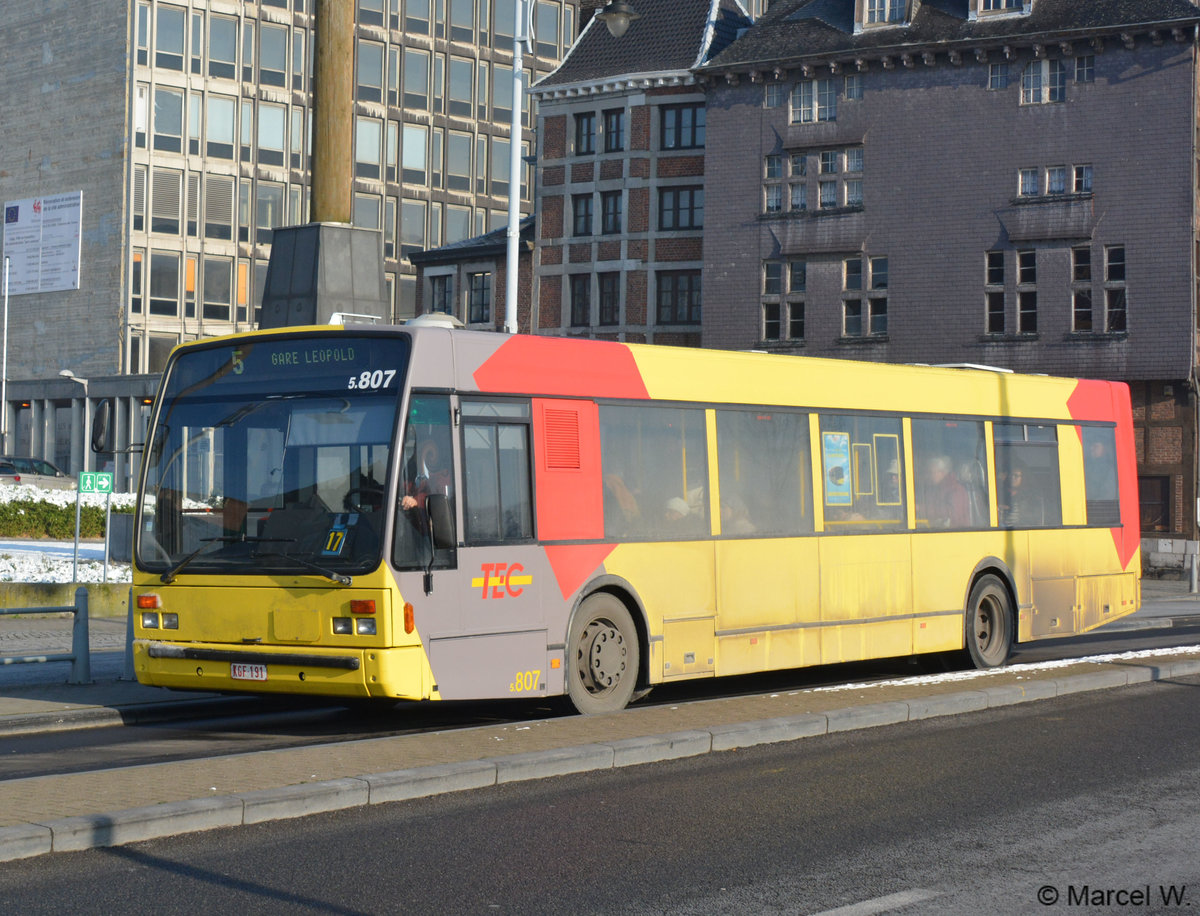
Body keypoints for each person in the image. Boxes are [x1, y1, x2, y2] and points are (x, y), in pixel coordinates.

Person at [919, 455, 970, 528]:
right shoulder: (936, 488)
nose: (929, 476)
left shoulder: (956, 489)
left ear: (942, 472)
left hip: (956, 532)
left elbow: (952, 513)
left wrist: (921, 509)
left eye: (931, 472)